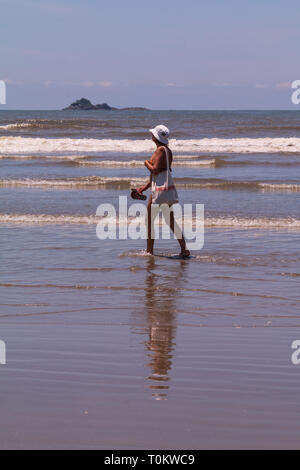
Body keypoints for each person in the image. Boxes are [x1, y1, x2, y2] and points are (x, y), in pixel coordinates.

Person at [137, 125, 190, 258]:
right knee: (170, 221)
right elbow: (160, 174)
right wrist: (143, 188)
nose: (151, 136)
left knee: (149, 221)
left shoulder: (160, 150)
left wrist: (146, 163)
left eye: (153, 134)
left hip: (159, 192)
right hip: (164, 190)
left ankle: (149, 251)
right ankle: (184, 249)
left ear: (156, 137)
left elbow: (154, 170)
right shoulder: (167, 150)